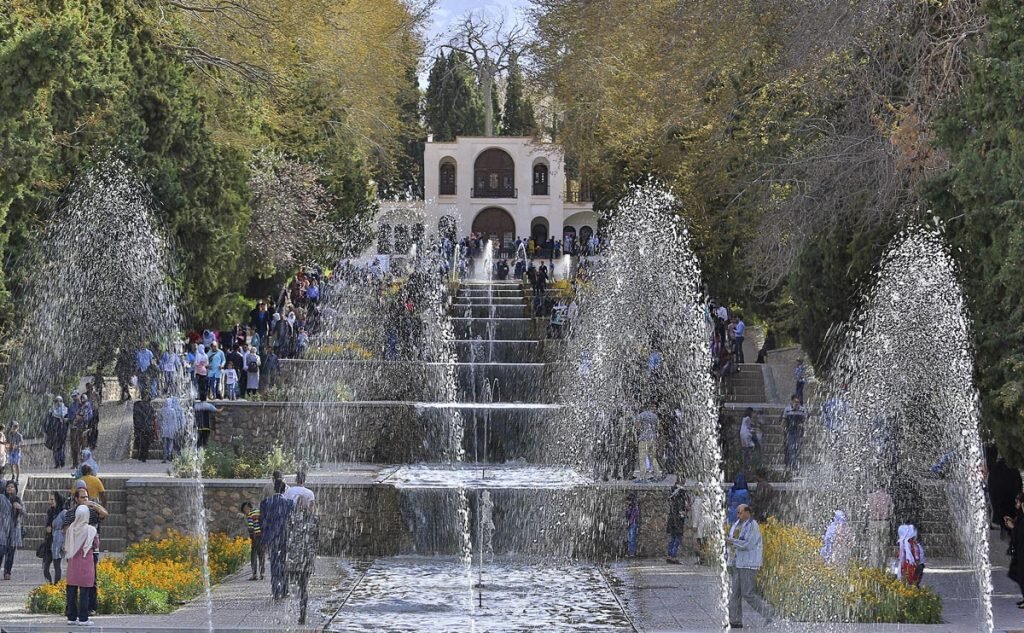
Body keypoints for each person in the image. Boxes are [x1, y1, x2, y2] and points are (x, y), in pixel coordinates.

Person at [727, 504, 774, 628]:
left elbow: (747, 544)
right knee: (735, 593)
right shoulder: (741, 525)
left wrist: (732, 542)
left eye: (740, 513)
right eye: (737, 513)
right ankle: (735, 620)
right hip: (739, 563)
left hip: (749, 564)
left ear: (748, 512)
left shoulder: (753, 526)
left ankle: (768, 612)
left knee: (748, 593)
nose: (738, 515)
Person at [64, 505, 99, 626]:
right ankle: (83, 618)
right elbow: (95, 544)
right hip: (86, 563)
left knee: (71, 590)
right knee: (85, 591)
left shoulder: (70, 529)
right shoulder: (91, 530)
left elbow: (67, 545)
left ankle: (71, 617)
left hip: (73, 563)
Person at [287, 498, 319, 624]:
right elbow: (317, 539)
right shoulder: (315, 519)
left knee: (297, 584)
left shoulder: (292, 518)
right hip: (307, 557)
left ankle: (297, 606)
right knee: (304, 586)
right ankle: (302, 613)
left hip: (295, 557)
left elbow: (288, 536)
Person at [260, 479, 295, 599]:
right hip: (285, 536)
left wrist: (264, 539)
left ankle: (275, 590)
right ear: (284, 489)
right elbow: (292, 522)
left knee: (274, 563)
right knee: (284, 562)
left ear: (274, 488)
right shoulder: (290, 503)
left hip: (271, 537)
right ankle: (285, 590)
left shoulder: (265, 503)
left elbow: (262, 522)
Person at [1004, 493, 1024, 607]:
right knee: (1017, 573)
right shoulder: (1020, 515)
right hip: (1020, 552)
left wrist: (1013, 527)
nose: (1016, 504)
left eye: (1017, 502)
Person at [1, 480, 23, 579]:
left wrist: (20, 508)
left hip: (14, 531)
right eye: (8, 486)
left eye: (12, 487)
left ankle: (7, 572)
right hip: (3, 529)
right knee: (1, 551)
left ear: (15, 489)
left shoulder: (18, 500)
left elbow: (25, 513)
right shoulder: (2, 498)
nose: (10, 488)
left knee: (11, 553)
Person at [867, 486, 893, 569]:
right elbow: (891, 510)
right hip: (884, 522)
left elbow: (868, 510)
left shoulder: (871, 497)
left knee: (874, 545)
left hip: (873, 522)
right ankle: (882, 567)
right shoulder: (888, 497)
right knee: (883, 546)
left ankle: (874, 567)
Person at [634, 409, 663, 482]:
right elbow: (659, 427)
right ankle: (657, 476)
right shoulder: (654, 416)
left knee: (642, 458)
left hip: (644, 438)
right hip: (653, 438)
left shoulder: (641, 415)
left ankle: (643, 477)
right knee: (653, 458)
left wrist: (640, 430)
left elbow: (637, 426)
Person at [43, 492, 66, 584]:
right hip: (49, 541)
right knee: (45, 567)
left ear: (57, 500)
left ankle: (57, 586)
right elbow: (48, 525)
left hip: (59, 541)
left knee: (57, 566)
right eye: (50, 499)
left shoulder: (64, 513)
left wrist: (65, 543)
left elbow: (67, 527)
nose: (50, 502)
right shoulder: (50, 512)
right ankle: (50, 585)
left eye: (52, 499)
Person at [781, 396, 807, 473]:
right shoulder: (787, 409)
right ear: (792, 402)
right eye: (795, 402)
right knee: (791, 449)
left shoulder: (802, 410)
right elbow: (784, 420)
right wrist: (783, 430)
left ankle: (796, 465)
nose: (797, 404)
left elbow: (805, 420)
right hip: (790, 432)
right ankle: (793, 466)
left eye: (798, 402)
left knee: (797, 450)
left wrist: (804, 426)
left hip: (799, 432)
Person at [241, 501, 265, 581]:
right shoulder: (259, 511)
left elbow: (251, 527)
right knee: (261, 555)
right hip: (262, 536)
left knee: (253, 555)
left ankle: (254, 574)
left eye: (244, 510)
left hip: (255, 536)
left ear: (247, 508)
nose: (245, 512)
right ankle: (262, 573)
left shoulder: (250, 514)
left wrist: (251, 536)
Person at [666, 484, 687, 564]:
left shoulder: (673, 500)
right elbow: (681, 514)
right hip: (677, 524)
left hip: (672, 523)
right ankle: (673, 557)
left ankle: (670, 555)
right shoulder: (680, 501)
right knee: (677, 540)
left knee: (672, 539)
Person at [46, 396, 69, 469]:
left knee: (61, 447)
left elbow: (67, 422)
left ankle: (62, 462)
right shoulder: (51, 411)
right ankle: (57, 463)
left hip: (62, 432)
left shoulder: (65, 410)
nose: (58, 403)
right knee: (55, 448)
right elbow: (48, 422)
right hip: (54, 433)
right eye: (56, 401)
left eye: (60, 401)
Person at [133, 393, 157, 462]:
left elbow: (135, 417)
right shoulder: (149, 407)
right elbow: (152, 417)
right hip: (146, 427)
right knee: (145, 443)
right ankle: (143, 456)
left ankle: (141, 456)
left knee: (141, 442)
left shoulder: (137, 405)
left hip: (141, 427)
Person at [160, 397, 183, 462]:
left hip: (164, 428)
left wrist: (161, 427)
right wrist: (176, 428)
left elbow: (160, 419)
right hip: (171, 428)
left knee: (165, 443)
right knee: (170, 442)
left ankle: (164, 457)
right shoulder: (172, 410)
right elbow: (175, 420)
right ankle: (169, 455)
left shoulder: (162, 410)